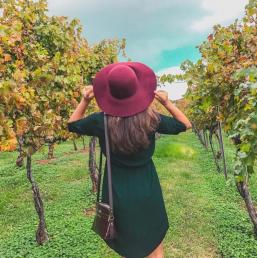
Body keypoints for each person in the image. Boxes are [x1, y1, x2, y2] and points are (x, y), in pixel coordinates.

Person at [67, 62, 191, 258]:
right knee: (154, 243)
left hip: (117, 191)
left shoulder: (101, 121)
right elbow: (185, 124)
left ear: (110, 92)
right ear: (137, 89)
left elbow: (72, 125)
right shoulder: (150, 118)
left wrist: (84, 100)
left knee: (129, 243)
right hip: (147, 186)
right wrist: (167, 103)